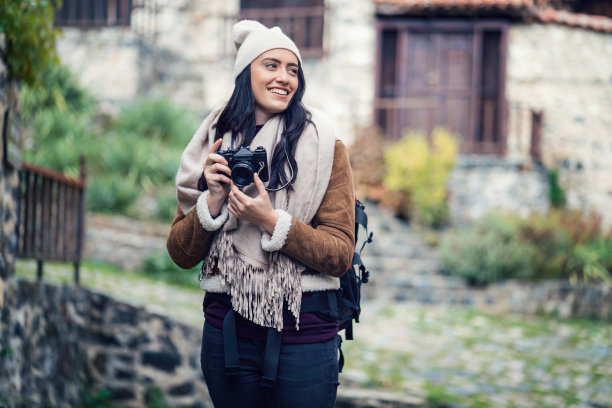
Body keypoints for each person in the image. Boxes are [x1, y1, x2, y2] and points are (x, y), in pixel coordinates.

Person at [166, 19, 355, 408]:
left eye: (292, 69)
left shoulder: (324, 145)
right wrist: (213, 200)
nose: (284, 77)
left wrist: (271, 221)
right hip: (229, 336)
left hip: (304, 336)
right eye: (271, 65)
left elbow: (339, 254)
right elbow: (181, 254)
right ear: (245, 74)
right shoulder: (213, 142)